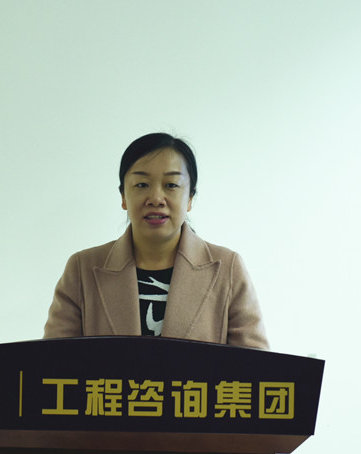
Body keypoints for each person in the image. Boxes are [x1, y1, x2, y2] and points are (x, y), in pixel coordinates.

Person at [43, 133, 268, 350]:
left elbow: (257, 367)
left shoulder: (227, 269)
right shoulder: (82, 269)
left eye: (171, 185)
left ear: (190, 197)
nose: (156, 199)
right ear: (123, 196)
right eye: (142, 185)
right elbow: (51, 364)